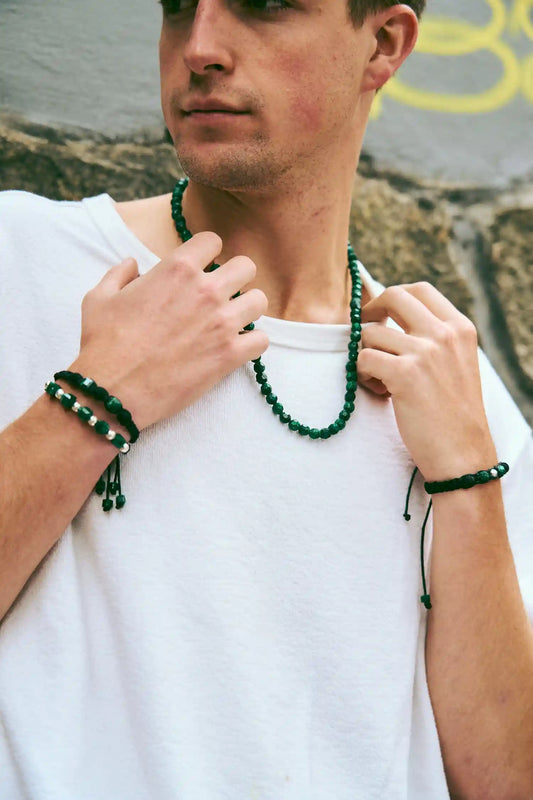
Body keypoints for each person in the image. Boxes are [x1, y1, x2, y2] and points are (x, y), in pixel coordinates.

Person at [0, 1, 532, 798]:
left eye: (263, 6)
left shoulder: (450, 389)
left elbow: (505, 781)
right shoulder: (22, 260)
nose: (200, 48)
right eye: (179, 7)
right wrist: (94, 399)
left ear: (382, 44)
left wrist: (467, 478)